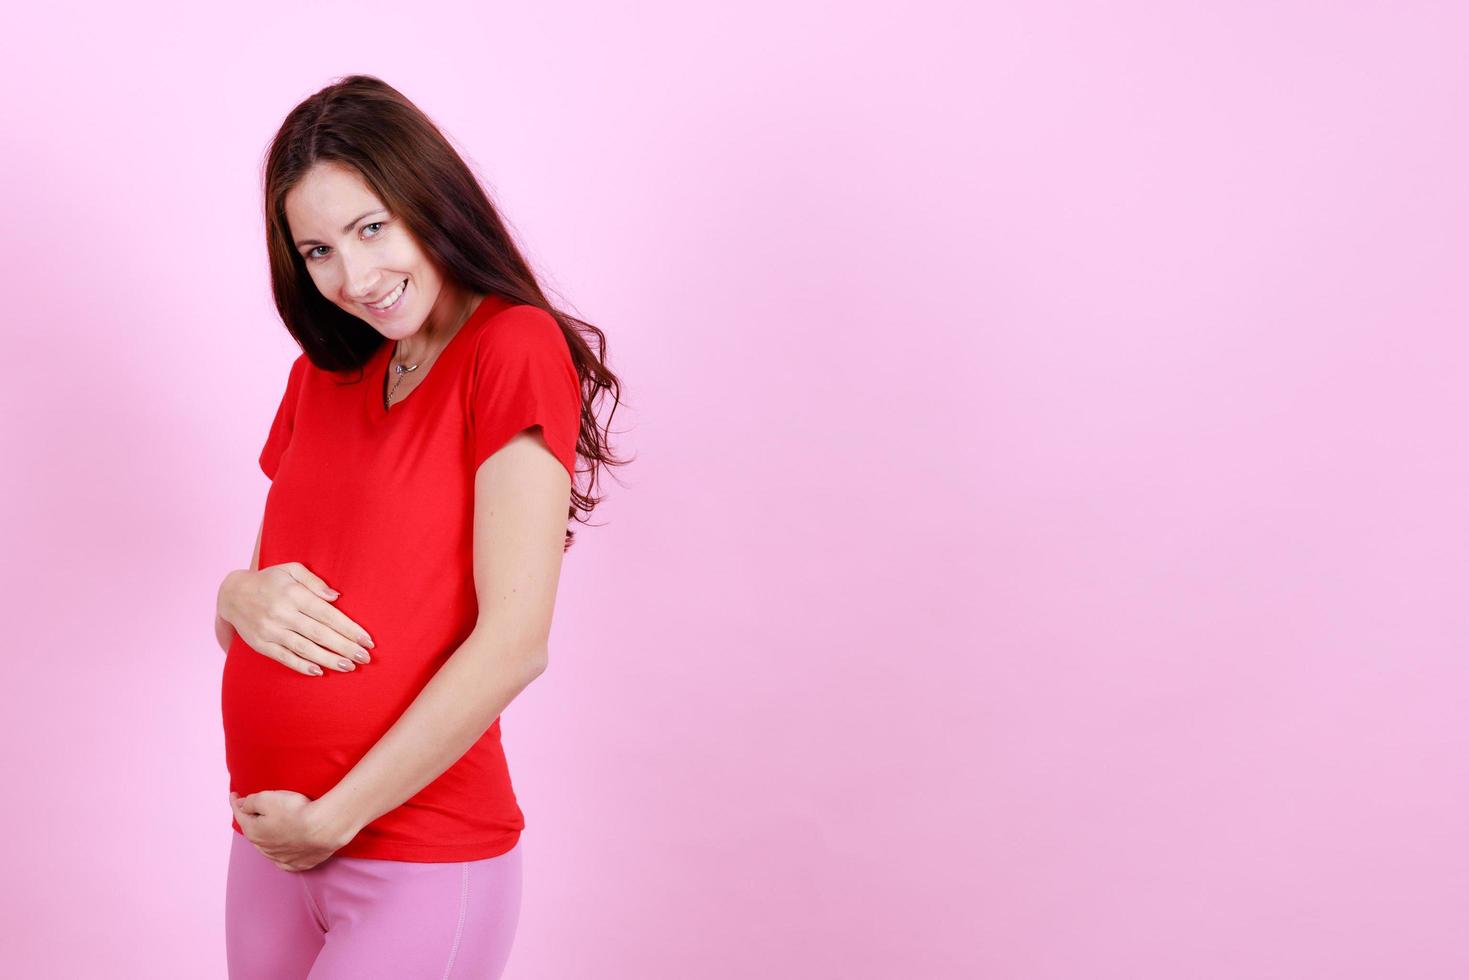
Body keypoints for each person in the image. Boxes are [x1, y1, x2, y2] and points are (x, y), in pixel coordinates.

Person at [212, 74, 626, 979]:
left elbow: (515, 643)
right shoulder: (322, 374)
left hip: (419, 852)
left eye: (371, 228)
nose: (353, 278)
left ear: (429, 200)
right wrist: (233, 594)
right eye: (317, 249)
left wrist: (335, 816)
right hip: (269, 848)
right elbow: (251, 604)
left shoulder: (511, 347)